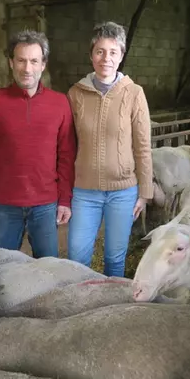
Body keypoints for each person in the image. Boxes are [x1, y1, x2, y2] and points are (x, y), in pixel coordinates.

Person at [0, 29, 77, 259]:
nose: (27, 68)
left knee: (48, 269)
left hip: (45, 204)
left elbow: (66, 156)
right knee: (1, 268)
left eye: (34, 61)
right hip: (6, 204)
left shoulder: (60, 103)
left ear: (43, 64)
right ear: (11, 63)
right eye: (21, 60)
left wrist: (64, 200)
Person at [66, 21, 153, 277]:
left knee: (115, 259)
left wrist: (145, 192)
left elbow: (143, 145)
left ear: (121, 55)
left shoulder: (134, 93)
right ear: (91, 55)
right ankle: (79, 310)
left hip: (123, 192)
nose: (106, 58)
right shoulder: (75, 94)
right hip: (84, 191)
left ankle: (112, 313)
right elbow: (67, 145)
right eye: (100, 51)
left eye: (113, 52)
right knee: (76, 257)